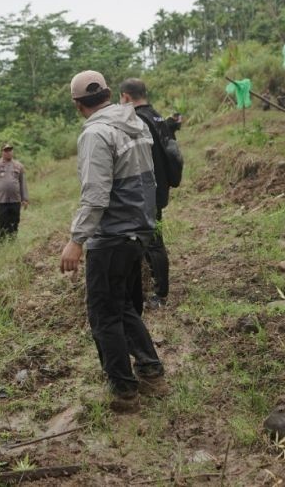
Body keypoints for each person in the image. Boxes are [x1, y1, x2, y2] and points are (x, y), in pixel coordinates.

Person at [59, 71, 165, 413]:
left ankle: (124, 391)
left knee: (104, 313)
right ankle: (150, 369)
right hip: (139, 229)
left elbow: (95, 195)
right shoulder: (135, 123)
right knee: (121, 306)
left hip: (112, 235)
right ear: (107, 94)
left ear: (78, 105)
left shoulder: (96, 134)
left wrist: (77, 240)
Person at [119, 78, 178, 311]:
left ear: (125, 97)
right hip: (160, 186)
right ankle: (152, 285)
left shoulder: (138, 119)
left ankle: (160, 294)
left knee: (153, 242)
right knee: (152, 239)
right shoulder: (156, 116)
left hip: (148, 190)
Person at [0, 144, 29, 241]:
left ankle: (12, 240)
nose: (8, 152)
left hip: (15, 200)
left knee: (14, 220)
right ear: (2, 152)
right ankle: (1, 242)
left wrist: (25, 199)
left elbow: (23, 183)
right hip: (1, 200)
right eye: (6, 150)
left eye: (10, 150)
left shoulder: (18, 165)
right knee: (2, 221)